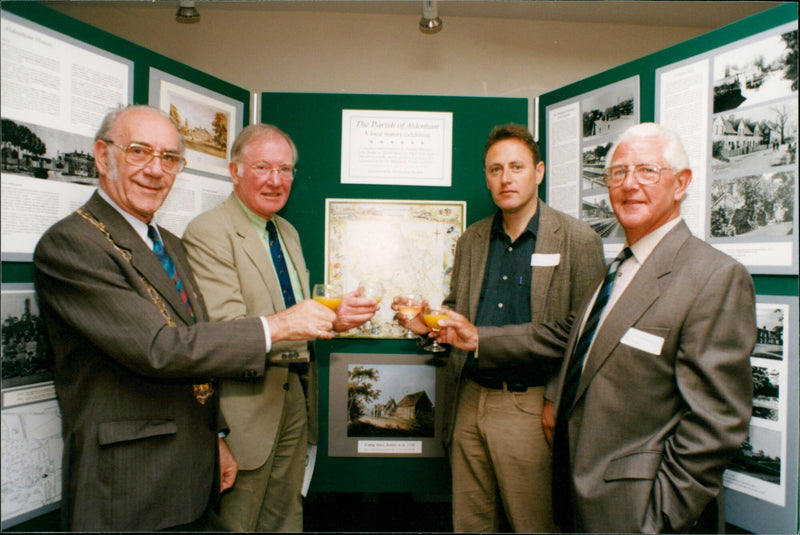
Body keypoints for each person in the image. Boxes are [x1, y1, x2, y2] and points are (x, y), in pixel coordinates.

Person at [33, 105, 339, 532]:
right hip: (129, 482)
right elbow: (158, 348)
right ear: (102, 156)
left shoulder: (170, 245)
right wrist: (280, 325)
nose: (155, 170)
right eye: (139, 152)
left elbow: (199, 343)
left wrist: (217, 436)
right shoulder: (73, 244)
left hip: (190, 469)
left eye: (169, 158)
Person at [397, 124, 605, 532]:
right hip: (469, 401)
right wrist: (428, 325)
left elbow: (580, 333)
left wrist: (484, 340)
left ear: (539, 172)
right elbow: (459, 313)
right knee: (470, 524)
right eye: (495, 170)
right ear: (487, 177)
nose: (505, 178)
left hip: (531, 406)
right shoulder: (472, 240)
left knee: (534, 525)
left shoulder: (578, 241)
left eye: (516, 167)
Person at [550, 122, 755, 533]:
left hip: (639, 515)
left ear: (681, 183)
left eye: (647, 171)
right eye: (619, 173)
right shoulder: (614, 272)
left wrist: (657, 519)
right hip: (578, 502)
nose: (630, 184)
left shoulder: (714, 277)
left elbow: (716, 424)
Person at [183, 124, 378, 532]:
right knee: (238, 523)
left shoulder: (286, 232)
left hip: (294, 402)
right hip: (244, 414)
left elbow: (291, 317)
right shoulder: (209, 232)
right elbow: (225, 333)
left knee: (286, 521)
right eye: (263, 168)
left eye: (285, 169)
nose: (276, 180)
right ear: (235, 171)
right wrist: (300, 320)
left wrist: (334, 318)